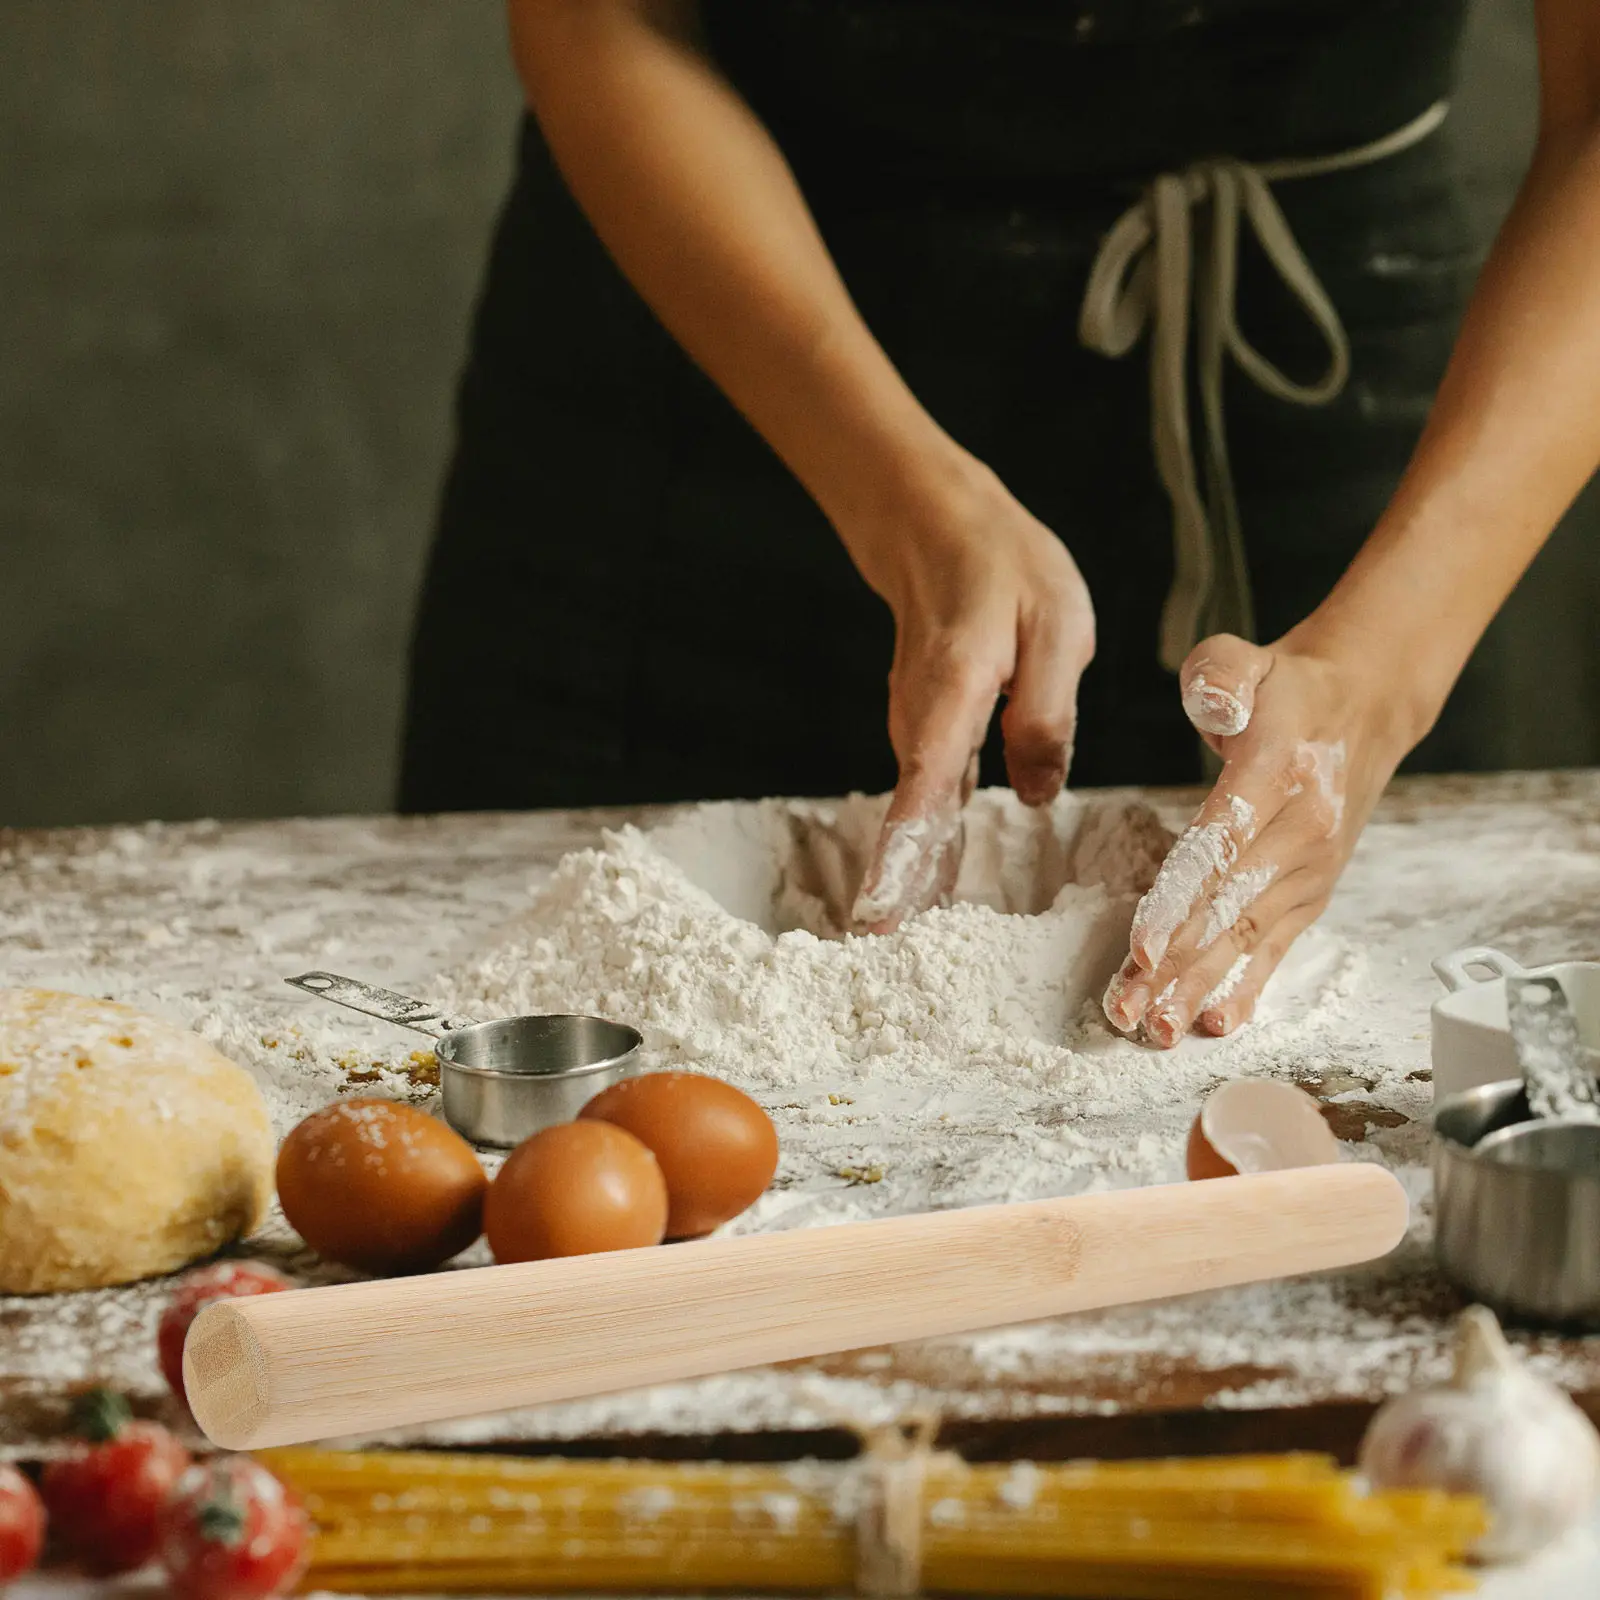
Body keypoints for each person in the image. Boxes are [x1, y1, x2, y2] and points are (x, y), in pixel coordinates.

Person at [400, 0, 1600, 1049]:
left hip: (1328, 414)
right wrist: (898, 491)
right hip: (709, 362)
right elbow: (602, 15)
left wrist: (1378, 673)